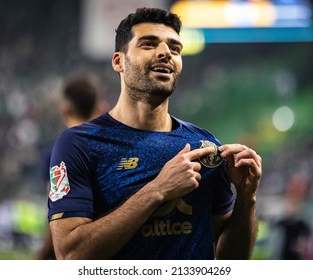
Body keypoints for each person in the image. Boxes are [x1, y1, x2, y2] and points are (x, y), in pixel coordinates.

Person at [48, 7, 262, 260]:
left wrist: (247, 200)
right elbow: (71, 255)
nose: (165, 53)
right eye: (149, 44)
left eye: (175, 48)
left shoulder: (204, 147)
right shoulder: (79, 144)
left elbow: (230, 262)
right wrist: (158, 189)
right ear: (119, 61)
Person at [36, 74, 109, 259]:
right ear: (101, 108)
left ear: (65, 110)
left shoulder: (55, 153)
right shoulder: (114, 148)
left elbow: (57, 215)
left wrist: (43, 258)